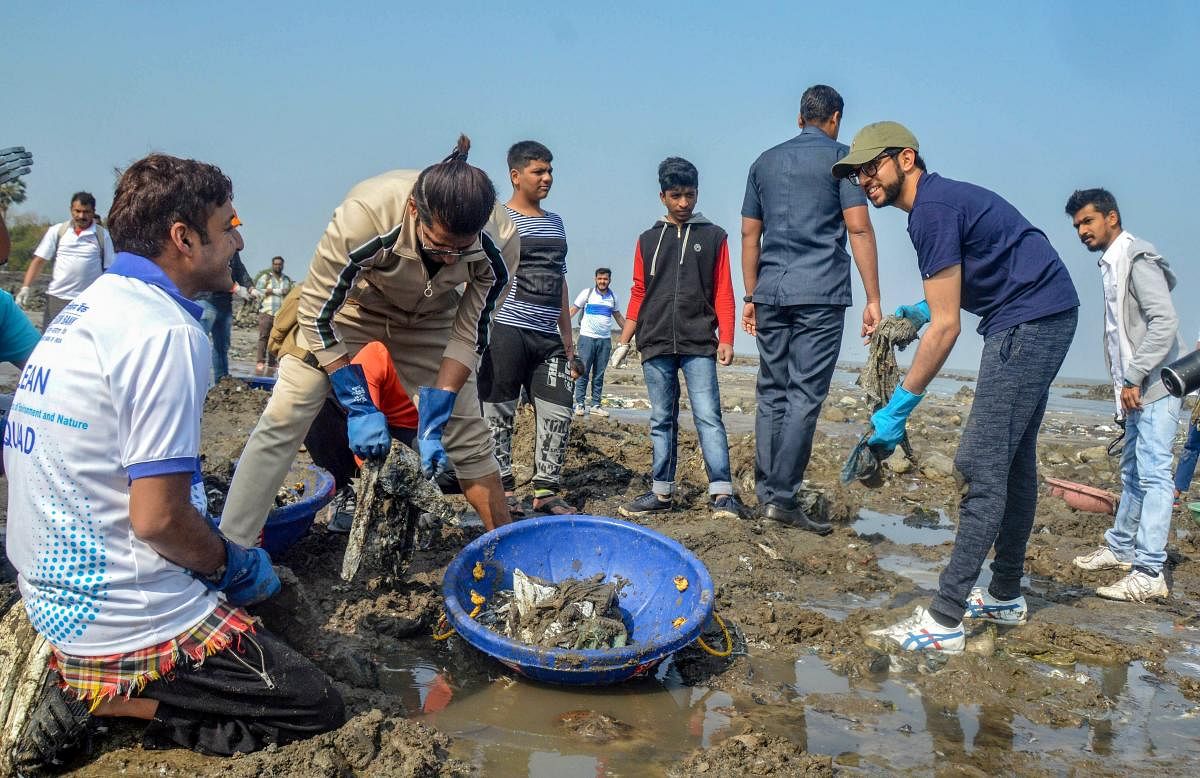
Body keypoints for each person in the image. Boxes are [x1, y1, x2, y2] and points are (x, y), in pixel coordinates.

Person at [4, 153, 344, 770]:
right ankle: (108, 704)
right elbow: (158, 521)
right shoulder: (164, 332)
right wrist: (230, 564)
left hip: (51, 587)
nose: (239, 240)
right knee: (314, 708)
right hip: (120, 611)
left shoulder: (88, 307)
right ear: (183, 238)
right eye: (227, 226)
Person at [832, 122, 1080, 652]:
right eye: (855, 173)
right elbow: (968, 281)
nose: (863, 179)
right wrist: (922, 310)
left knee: (978, 465)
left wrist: (899, 406)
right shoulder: (940, 203)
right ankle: (1006, 594)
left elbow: (949, 328)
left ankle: (944, 621)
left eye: (870, 166)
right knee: (1012, 465)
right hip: (1045, 311)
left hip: (1029, 321)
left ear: (905, 158)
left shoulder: (932, 211)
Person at [218, 136, 518, 546]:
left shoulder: (500, 240)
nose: (449, 258)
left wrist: (437, 415)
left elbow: (469, 335)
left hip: (433, 318)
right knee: (291, 405)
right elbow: (316, 312)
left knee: (467, 431)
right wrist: (357, 402)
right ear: (415, 209)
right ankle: (231, 548)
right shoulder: (366, 215)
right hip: (355, 307)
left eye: (459, 251)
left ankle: (509, 549)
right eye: (438, 245)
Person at [740, 85, 881, 532]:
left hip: (771, 290)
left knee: (772, 391)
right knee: (804, 394)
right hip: (820, 292)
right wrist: (874, 298)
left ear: (800, 117)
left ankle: (767, 492)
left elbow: (749, 235)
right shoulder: (842, 161)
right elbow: (858, 230)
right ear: (835, 117)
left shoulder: (764, 161)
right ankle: (782, 497)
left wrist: (751, 294)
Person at [610, 157, 745, 520]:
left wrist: (727, 338)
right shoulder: (648, 239)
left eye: (690, 195)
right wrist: (624, 341)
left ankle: (721, 493)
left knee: (708, 415)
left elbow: (723, 291)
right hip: (654, 342)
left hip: (699, 341)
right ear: (662, 196)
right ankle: (661, 492)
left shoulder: (714, 236)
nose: (684, 203)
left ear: (697, 193)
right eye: (676, 195)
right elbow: (639, 292)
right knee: (661, 418)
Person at [1066, 188, 1180, 602]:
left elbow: (1164, 322)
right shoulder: (1110, 264)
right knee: (1132, 473)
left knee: (1154, 476)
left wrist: (1134, 376)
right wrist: (1123, 388)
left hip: (1154, 388)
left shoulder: (1137, 258)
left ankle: (1150, 571)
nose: (1082, 230)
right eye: (1077, 224)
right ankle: (1120, 549)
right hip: (1133, 392)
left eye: (1088, 221)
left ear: (1111, 218)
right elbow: (1119, 336)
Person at [479, 140, 577, 517]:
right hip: (506, 331)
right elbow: (484, 276)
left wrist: (568, 339)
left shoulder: (556, 223)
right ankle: (500, 490)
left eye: (550, 170)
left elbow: (562, 280)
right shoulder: (498, 221)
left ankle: (547, 492)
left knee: (558, 411)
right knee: (498, 413)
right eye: (539, 171)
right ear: (516, 176)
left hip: (547, 337)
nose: (547, 178)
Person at [16, 191, 114, 327]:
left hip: (88, 301)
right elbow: (39, 261)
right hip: (57, 299)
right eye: (77, 211)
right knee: (50, 342)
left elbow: (110, 270)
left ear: (93, 212)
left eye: (86, 212)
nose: (81, 216)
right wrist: (25, 287)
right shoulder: (57, 231)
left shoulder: (103, 236)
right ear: (71, 210)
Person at [570, 267, 626, 416]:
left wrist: (632, 333)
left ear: (609, 280)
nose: (602, 281)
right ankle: (580, 404)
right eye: (600, 278)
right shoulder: (587, 294)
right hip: (587, 339)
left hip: (605, 341)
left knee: (599, 374)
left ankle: (595, 405)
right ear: (595, 279)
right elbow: (573, 311)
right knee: (583, 372)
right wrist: (557, 324)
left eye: (605, 279)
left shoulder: (613, 297)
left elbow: (619, 317)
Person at [195, 248, 256, 381]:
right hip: (206, 299)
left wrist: (250, 287)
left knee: (222, 346)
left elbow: (239, 269)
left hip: (224, 303)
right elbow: (210, 271)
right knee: (198, 344)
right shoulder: (208, 244)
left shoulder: (231, 248)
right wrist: (236, 288)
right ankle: (194, 380)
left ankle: (221, 383)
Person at [254, 255, 293, 375]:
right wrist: (275, 291)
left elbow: (289, 294)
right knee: (263, 337)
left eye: (279, 264)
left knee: (275, 339)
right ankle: (260, 362)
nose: (277, 266)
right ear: (272, 265)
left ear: (283, 265)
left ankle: (272, 363)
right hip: (266, 312)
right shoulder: (266, 278)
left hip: (279, 315)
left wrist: (273, 291)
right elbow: (258, 290)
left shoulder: (286, 280)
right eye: (275, 264)